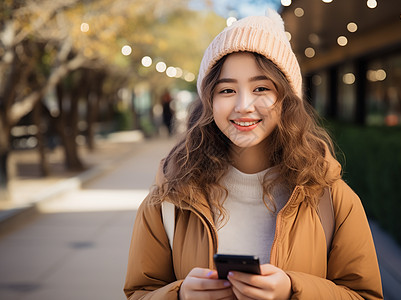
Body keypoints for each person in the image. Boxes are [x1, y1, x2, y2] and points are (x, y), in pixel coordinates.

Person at [124, 9, 383, 300]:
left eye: (261, 88)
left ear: (287, 100)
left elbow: (365, 295)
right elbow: (139, 292)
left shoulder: (331, 197)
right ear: (208, 101)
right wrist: (180, 295)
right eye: (226, 90)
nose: (244, 105)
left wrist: (293, 290)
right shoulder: (170, 197)